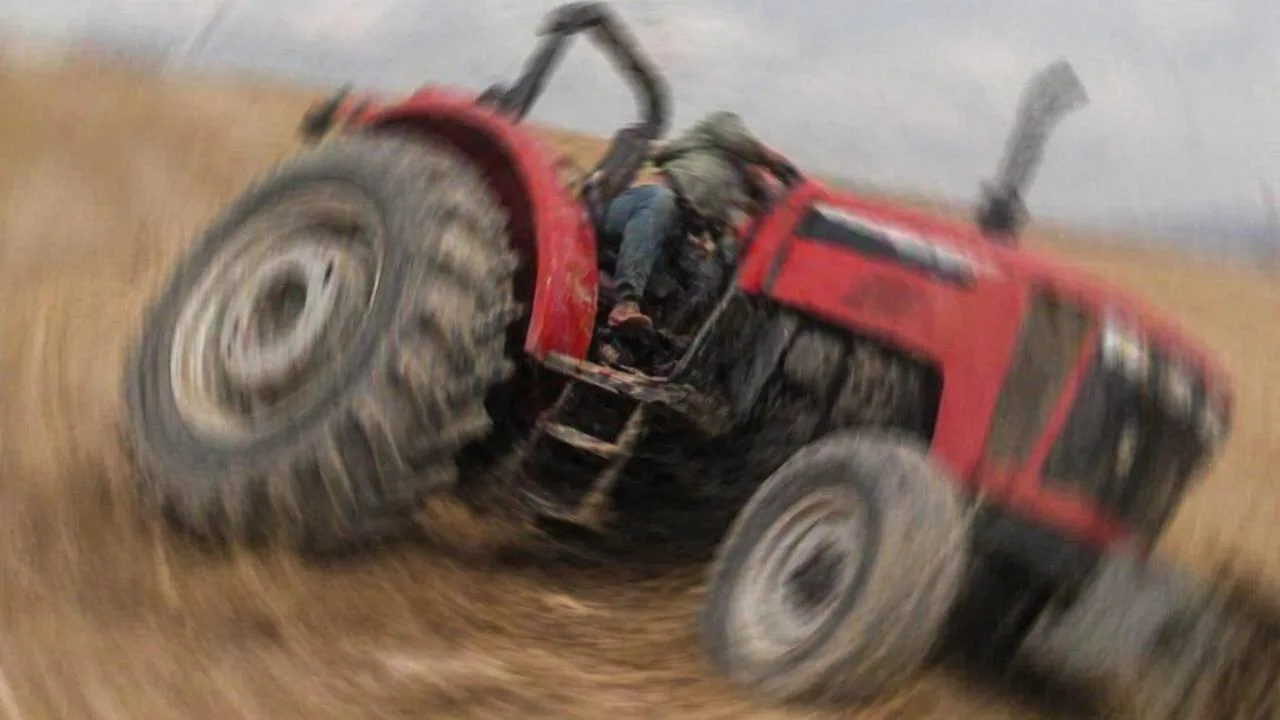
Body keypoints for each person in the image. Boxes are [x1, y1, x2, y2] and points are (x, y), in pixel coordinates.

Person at [595, 110, 798, 331]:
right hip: (637, 208)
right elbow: (742, 141)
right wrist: (782, 168)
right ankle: (626, 303)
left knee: (706, 274)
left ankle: (663, 343)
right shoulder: (718, 129)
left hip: (673, 234)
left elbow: (744, 228)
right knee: (662, 201)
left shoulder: (733, 195)